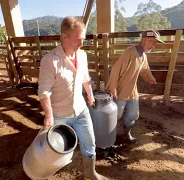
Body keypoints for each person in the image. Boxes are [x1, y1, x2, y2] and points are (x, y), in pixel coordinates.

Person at [38, 16, 107, 180]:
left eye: (83, 39)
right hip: (59, 115)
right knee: (55, 149)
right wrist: (48, 115)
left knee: (89, 143)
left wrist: (89, 94)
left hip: (81, 110)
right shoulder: (50, 60)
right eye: (77, 40)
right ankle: (44, 174)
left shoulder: (82, 55)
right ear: (64, 36)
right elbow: (44, 92)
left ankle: (90, 173)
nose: (81, 44)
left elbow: (85, 78)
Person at [106, 30, 163, 145]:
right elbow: (115, 70)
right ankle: (107, 137)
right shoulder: (130, 52)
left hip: (133, 91)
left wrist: (150, 79)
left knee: (132, 115)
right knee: (115, 115)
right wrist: (112, 88)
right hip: (120, 90)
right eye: (152, 42)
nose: (154, 46)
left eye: (155, 43)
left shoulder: (144, 55)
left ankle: (127, 134)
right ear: (145, 40)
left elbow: (145, 70)